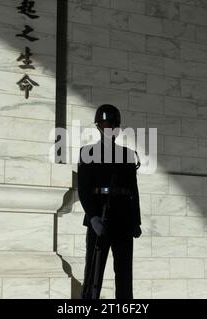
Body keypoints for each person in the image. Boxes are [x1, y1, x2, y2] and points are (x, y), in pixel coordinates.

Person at [78, 104, 142, 299]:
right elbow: (83, 189)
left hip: (123, 220)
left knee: (124, 273)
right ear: (99, 126)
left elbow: (133, 190)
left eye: (114, 124)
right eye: (107, 124)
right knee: (93, 272)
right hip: (100, 219)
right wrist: (93, 217)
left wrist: (136, 221)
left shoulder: (128, 154)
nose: (111, 128)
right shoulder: (87, 152)